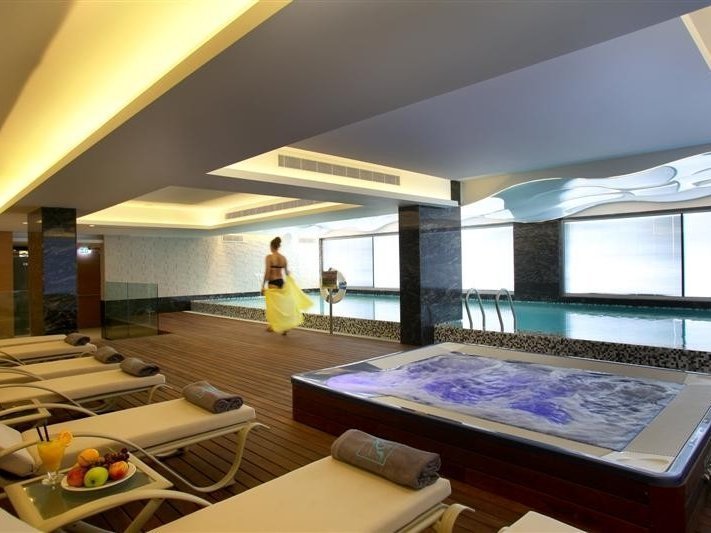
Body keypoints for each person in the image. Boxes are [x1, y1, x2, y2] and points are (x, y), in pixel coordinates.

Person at [261, 237, 311, 334]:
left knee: (273, 306)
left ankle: (273, 325)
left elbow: (267, 272)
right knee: (282, 306)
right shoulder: (283, 258)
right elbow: (287, 273)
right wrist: (291, 282)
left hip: (273, 282)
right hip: (281, 282)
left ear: (272, 246)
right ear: (278, 246)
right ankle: (284, 327)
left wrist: (263, 285)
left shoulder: (269, 257)